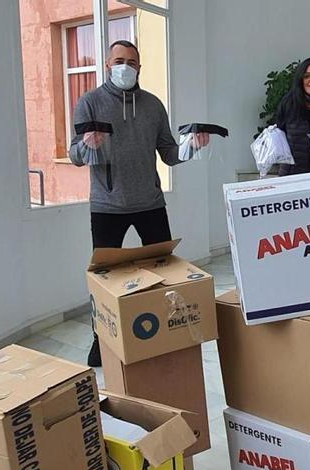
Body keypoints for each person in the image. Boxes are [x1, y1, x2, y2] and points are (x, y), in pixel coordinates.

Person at [69, 40, 209, 366]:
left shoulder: (153, 105)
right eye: (119, 60)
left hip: (149, 202)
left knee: (166, 272)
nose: (125, 67)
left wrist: (193, 146)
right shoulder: (89, 103)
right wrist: (87, 144)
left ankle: (168, 330)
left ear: (139, 68)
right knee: (105, 279)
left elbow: (170, 154)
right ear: (107, 64)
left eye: (132, 62)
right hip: (107, 204)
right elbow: (76, 155)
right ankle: (100, 339)